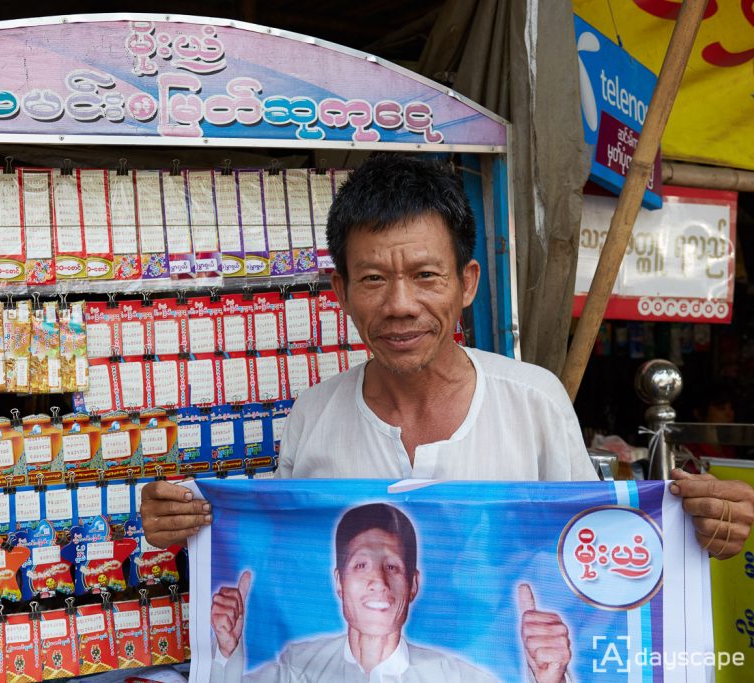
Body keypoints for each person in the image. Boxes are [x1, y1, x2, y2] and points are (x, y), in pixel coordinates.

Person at [141, 154, 754, 558]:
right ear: (342, 293)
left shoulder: (534, 400)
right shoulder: (315, 413)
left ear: (468, 284)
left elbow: (588, 550)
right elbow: (285, 553)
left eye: (426, 276)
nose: (400, 305)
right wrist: (190, 527)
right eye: (374, 279)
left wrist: (695, 532)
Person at [209, 503, 566, 682]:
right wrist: (228, 650)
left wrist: (549, 678)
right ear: (338, 581)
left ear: (414, 585)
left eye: (393, 567)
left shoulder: (454, 676)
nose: (378, 581)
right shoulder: (299, 664)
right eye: (361, 565)